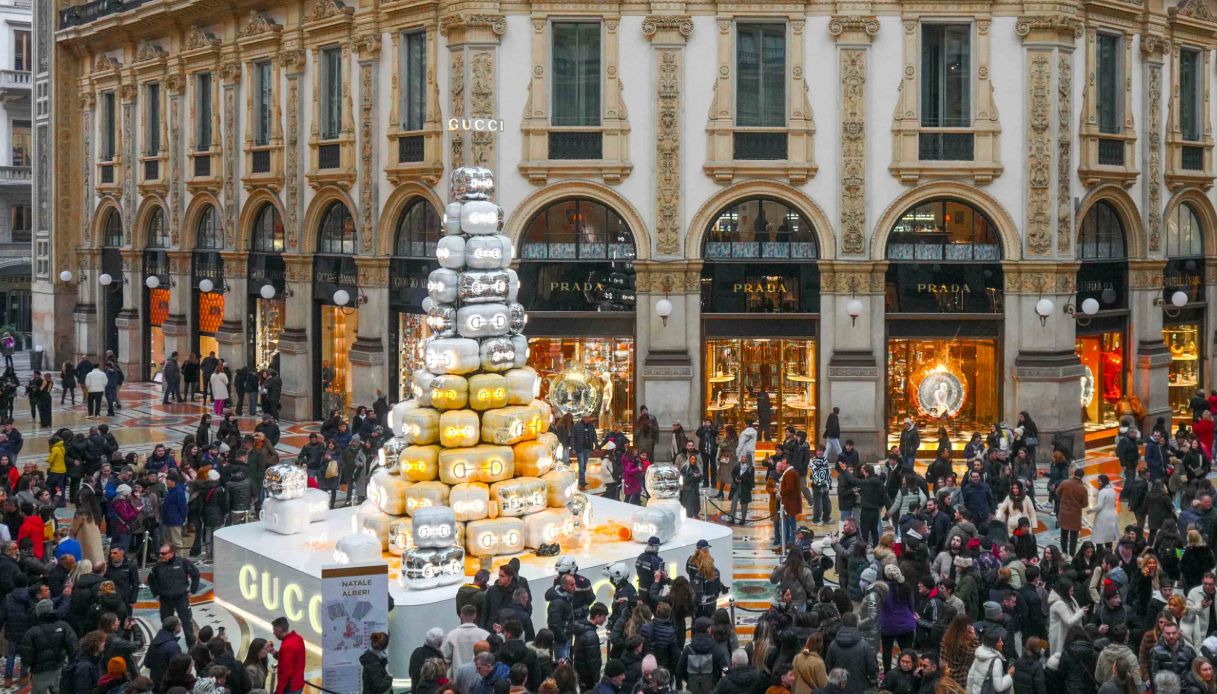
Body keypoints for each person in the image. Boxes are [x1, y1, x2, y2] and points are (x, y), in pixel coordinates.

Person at [148, 543, 200, 647]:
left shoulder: (182, 562)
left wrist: (193, 591)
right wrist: (155, 594)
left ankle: (191, 643)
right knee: (166, 623)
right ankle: (168, 643)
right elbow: (151, 579)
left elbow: (195, 574)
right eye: (160, 553)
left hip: (181, 598)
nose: (161, 555)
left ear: (171, 553)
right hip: (165, 599)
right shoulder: (158, 566)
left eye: (163, 553)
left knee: (186, 621)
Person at [824, 614, 877, 694]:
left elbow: (828, 667)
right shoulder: (864, 645)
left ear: (842, 624)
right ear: (856, 624)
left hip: (838, 688)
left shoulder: (833, 645)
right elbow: (872, 668)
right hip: (860, 688)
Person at [572, 603, 608, 692]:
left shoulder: (582, 630)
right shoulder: (591, 636)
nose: (605, 619)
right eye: (603, 617)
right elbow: (593, 661)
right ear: (597, 616)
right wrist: (596, 679)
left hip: (581, 674)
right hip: (589, 678)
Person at [1056, 469, 1090, 556]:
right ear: (1082, 476)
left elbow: (1057, 493)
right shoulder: (1083, 489)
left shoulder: (1065, 483)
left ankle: (1064, 552)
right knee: (1074, 537)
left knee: (1064, 534)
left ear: (1074, 473)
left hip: (1064, 513)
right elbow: (1085, 504)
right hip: (1075, 515)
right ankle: (1072, 555)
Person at [146, 616, 184, 685]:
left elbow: (147, 663)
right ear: (177, 628)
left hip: (154, 683)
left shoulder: (154, 642)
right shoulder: (173, 647)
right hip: (168, 685)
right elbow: (178, 669)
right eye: (180, 624)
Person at [273, 617, 305, 694]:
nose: (273, 633)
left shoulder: (286, 646)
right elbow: (293, 659)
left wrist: (278, 691)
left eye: (274, 631)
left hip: (290, 688)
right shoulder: (298, 638)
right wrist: (275, 653)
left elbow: (285, 673)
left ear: (279, 631)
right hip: (299, 683)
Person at [1088, 475, 1120, 550]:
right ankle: (1109, 555)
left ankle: (1100, 557)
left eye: (1099, 481)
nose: (1098, 483)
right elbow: (1115, 503)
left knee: (1099, 538)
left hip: (1103, 516)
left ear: (1103, 481)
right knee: (1109, 539)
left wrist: (1090, 511)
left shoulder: (1102, 492)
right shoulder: (1112, 490)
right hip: (1113, 514)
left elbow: (1099, 506)